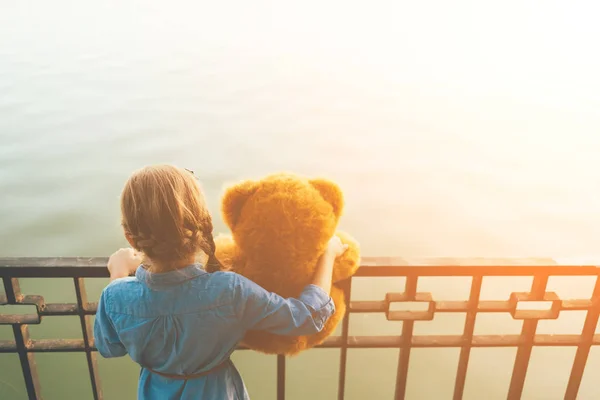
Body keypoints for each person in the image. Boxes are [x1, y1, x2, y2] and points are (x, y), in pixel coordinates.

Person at [93, 165, 348, 400]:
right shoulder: (228, 290)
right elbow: (307, 317)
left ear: (130, 237)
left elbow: (109, 347)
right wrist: (327, 253)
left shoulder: (116, 297)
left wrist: (118, 275)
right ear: (201, 222)